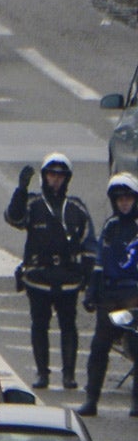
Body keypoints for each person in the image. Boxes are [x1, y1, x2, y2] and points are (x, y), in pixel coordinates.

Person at [5, 152, 94, 389]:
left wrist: (86, 274)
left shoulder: (76, 207)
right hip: (38, 278)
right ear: (44, 176)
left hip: (68, 279)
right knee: (39, 324)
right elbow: (14, 218)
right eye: (51, 174)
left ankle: (69, 375)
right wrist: (21, 191)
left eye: (60, 176)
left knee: (68, 325)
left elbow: (89, 242)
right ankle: (42, 374)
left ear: (67, 179)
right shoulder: (33, 204)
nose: (55, 179)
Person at [80, 174, 138, 416]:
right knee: (99, 347)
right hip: (110, 295)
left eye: (128, 198)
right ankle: (92, 398)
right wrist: (91, 291)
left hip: (134, 295)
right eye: (119, 199)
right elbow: (99, 262)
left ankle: (136, 403)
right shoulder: (110, 226)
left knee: (136, 347)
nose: (124, 203)